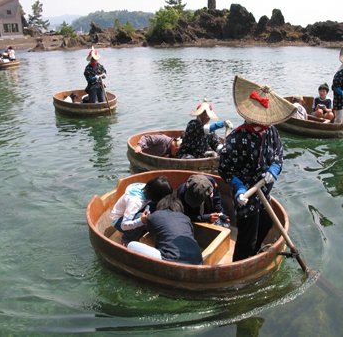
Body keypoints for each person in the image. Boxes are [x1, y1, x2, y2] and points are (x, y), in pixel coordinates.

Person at [219, 76, 296, 261]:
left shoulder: (271, 131)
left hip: (264, 192)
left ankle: (254, 256)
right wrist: (238, 187)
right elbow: (225, 168)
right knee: (247, 238)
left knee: (267, 223)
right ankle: (240, 266)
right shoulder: (236, 138)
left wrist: (274, 169)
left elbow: (279, 153)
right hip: (246, 196)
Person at [127, 194, 203, 265]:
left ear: (160, 205)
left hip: (171, 260)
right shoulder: (186, 218)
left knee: (131, 245)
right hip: (198, 261)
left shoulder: (154, 216)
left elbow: (150, 232)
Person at [110, 176, 173, 245]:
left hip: (134, 211)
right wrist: (141, 220)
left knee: (153, 208)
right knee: (142, 218)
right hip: (119, 221)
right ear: (155, 196)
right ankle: (126, 240)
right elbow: (124, 225)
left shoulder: (147, 188)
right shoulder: (135, 202)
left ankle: (143, 226)